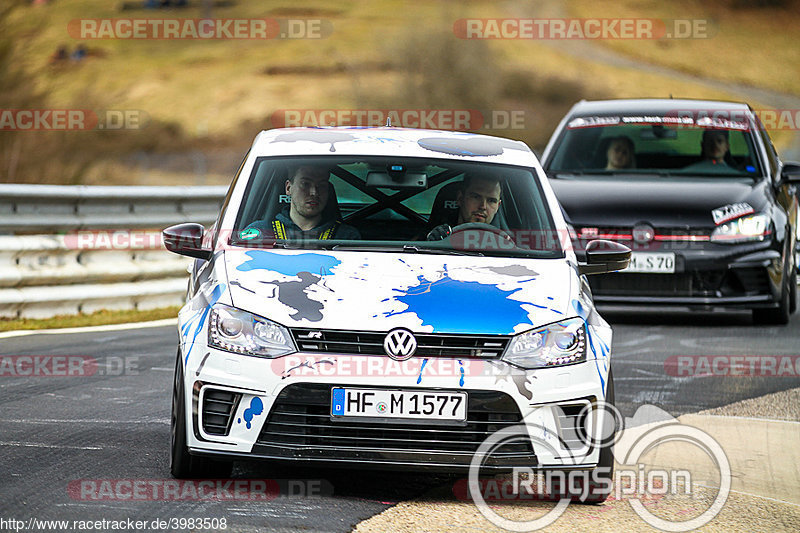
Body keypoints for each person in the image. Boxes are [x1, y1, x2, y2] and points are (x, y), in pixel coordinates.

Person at [244, 165, 360, 241]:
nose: (314, 192)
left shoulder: (346, 236)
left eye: (322, 185)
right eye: (305, 184)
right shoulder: (259, 232)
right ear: (288, 188)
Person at [426, 175, 502, 240]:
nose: (483, 206)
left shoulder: (504, 245)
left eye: (491, 201)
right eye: (476, 197)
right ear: (460, 198)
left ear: (498, 206)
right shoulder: (435, 239)